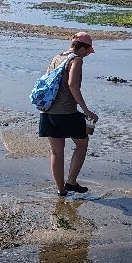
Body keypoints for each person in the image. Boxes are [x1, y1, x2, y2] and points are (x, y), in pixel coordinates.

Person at [38, 32, 98, 196]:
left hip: (47, 112)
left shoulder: (57, 57)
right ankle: (71, 181)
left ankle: (61, 190)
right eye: (87, 50)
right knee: (82, 143)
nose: (87, 54)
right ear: (83, 47)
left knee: (56, 152)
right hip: (65, 113)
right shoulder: (76, 60)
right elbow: (72, 86)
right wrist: (86, 111)